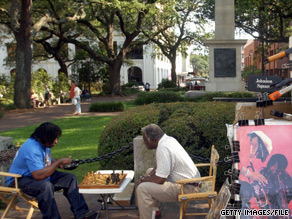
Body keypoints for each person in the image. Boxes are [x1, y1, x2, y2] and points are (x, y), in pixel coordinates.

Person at [5, 122, 95, 219]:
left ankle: (82, 214)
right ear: (45, 137)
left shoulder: (43, 143)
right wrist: (57, 163)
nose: (56, 141)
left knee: (70, 178)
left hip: (36, 175)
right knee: (45, 186)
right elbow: (38, 176)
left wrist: (58, 163)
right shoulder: (32, 149)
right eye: (54, 138)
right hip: (19, 180)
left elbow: (46, 159)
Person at [136, 124, 201, 219]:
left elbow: (160, 179)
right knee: (149, 171)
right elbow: (162, 164)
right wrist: (150, 174)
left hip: (187, 187)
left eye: (145, 140)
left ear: (153, 140)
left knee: (142, 188)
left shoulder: (163, 149)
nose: (144, 142)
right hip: (192, 182)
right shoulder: (168, 140)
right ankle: (154, 211)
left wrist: (143, 179)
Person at [238, 131, 273, 211]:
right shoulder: (245, 140)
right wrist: (249, 174)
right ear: (255, 139)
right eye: (258, 153)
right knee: (246, 192)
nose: (255, 155)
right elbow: (236, 164)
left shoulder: (244, 140)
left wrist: (251, 174)